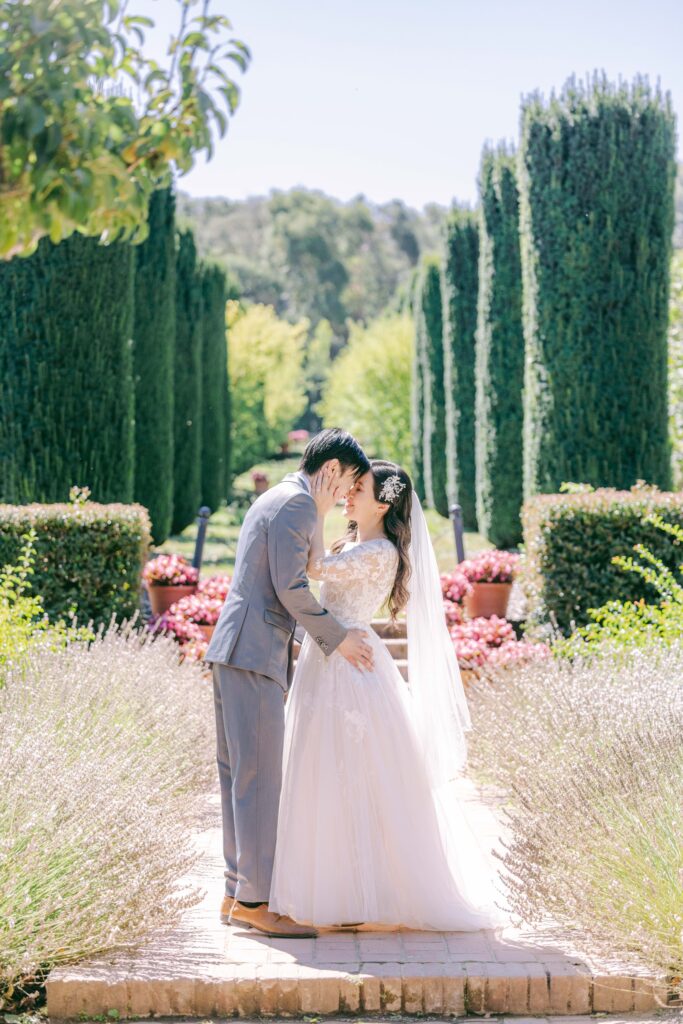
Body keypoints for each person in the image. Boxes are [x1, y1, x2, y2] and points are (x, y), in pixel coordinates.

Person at [268, 460, 511, 930]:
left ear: (383, 503)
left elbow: (316, 567)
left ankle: (363, 893)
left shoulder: (378, 551)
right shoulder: (357, 542)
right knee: (324, 769)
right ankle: (335, 885)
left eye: (357, 489)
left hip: (350, 663)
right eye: (349, 488)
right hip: (332, 654)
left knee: (353, 770)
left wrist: (314, 508)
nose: (347, 495)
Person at [204, 429, 373, 938]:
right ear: (329, 470)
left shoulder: (281, 498)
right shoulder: (297, 506)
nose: (346, 495)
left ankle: (237, 892)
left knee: (238, 774)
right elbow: (291, 586)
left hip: (236, 649)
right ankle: (256, 902)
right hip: (253, 653)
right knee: (258, 778)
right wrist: (336, 638)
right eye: (346, 482)